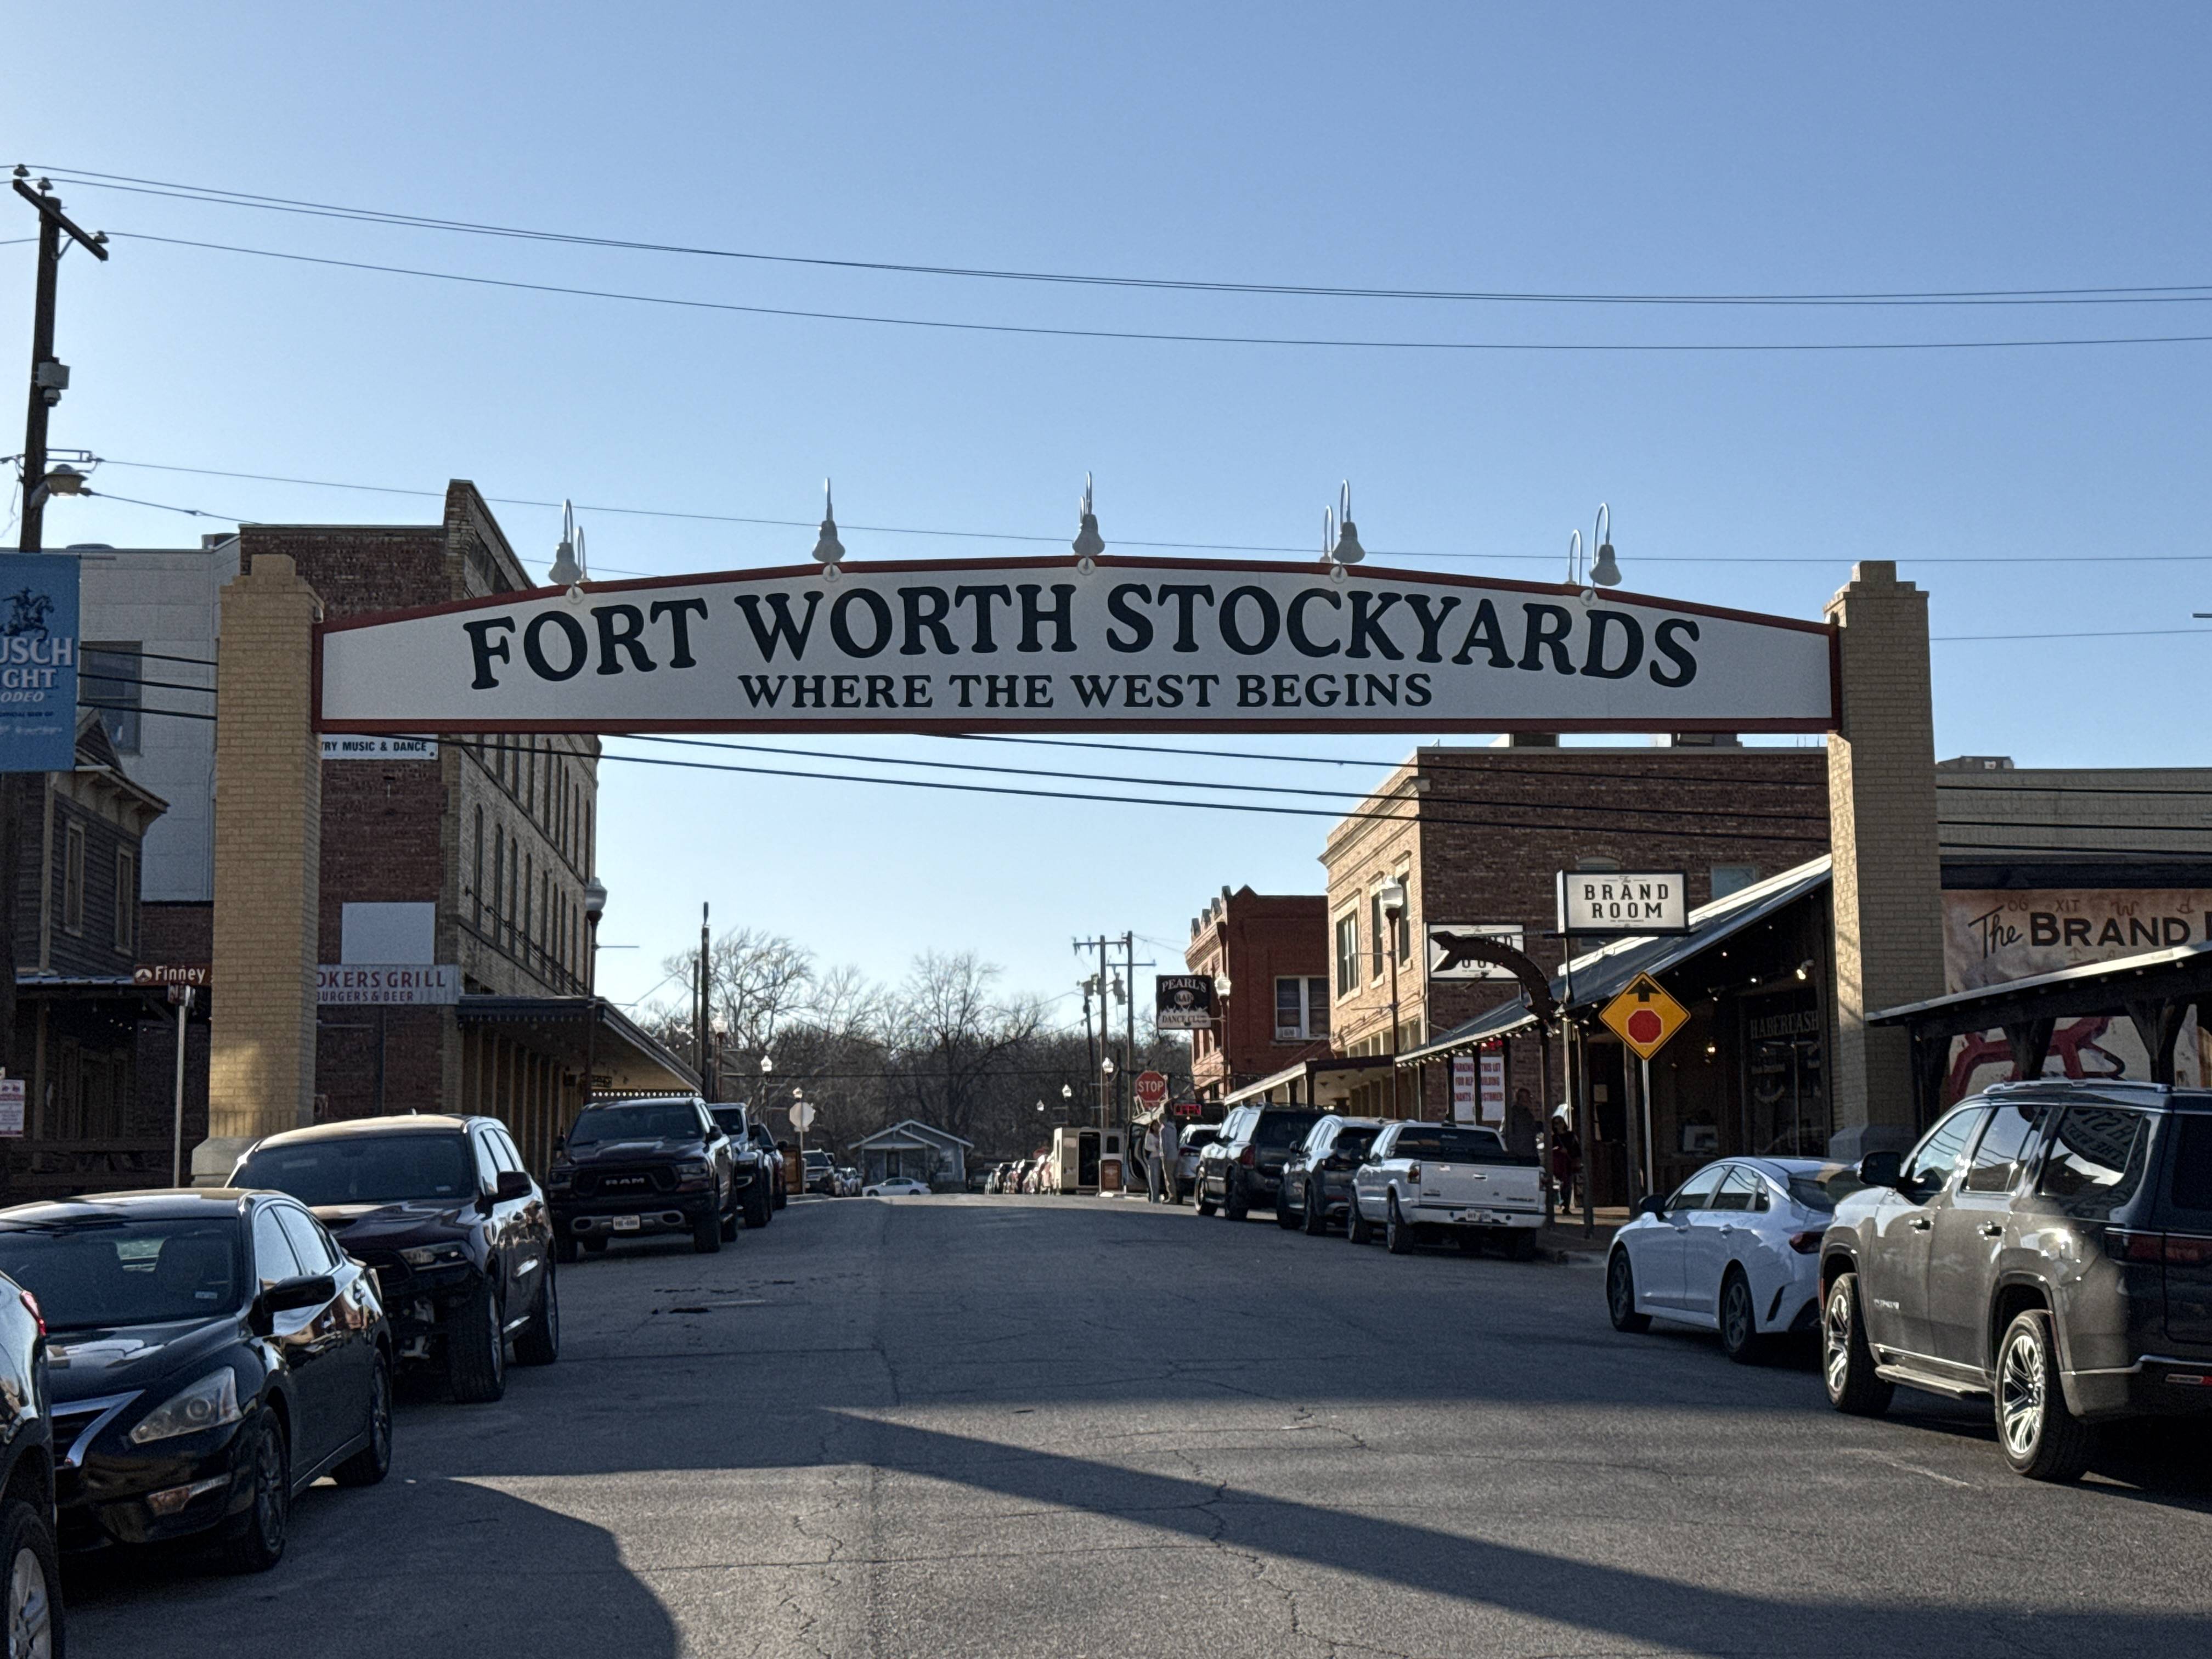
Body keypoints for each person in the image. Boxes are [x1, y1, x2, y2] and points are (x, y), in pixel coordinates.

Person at [1549, 1113, 1582, 1215]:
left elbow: (1577, 1149)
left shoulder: (1571, 1135)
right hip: (1559, 1165)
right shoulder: (1554, 1138)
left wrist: (1572, 1155)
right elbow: (1550, 1151)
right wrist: (1559, 1150)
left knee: (1568, 1184)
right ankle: (1563, 1204)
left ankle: (1565, 1206)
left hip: (1569, 1162)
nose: (1558, 1125)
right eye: (1556, 1123)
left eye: (1560, 1122)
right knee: (1563, 1184)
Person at [1156, 1114, 1181, 1205]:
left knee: (1168, 1177)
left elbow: (1164, 1145)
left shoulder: (1163, 1129)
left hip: (1168, 1156)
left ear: (1161, 1120)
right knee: (1173, 1176)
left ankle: (1173, 1197)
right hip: (1175, 1154)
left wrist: (1163, 1156)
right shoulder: (1173, 1128)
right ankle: (1175, 1196)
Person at [1143, 1124, 1163, 1201]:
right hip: (1153, 1158)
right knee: (1154, 1178)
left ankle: (1158, 1195)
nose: (1156, 1127)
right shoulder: (1150, 1136)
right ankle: (1155, 1197)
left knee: (1159, 1178)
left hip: (1161, 1158)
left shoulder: (1162, 1134)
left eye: (1157, 1125)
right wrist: (1156, 1147)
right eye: (1154, 1125)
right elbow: (1147, 1146)